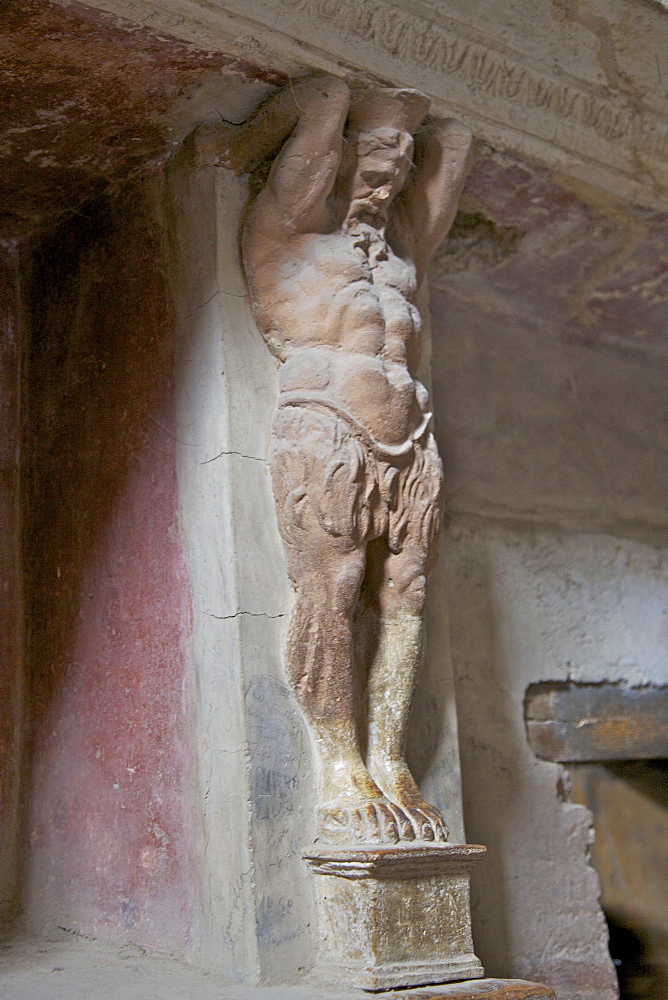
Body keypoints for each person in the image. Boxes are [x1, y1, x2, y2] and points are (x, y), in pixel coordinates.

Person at [232, 75, 472, 844]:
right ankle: (338, 764)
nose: (391, 172)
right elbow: (323, 95)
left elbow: (456, 148)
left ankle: (388, 755)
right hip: (328, 430)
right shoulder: (288, 230)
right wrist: (232, 146)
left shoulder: (399, 258)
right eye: (374, 156)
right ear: (335, 158)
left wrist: (410, 120)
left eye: (402, 162)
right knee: (331, 590)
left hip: (411, 441)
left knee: (408, 594)